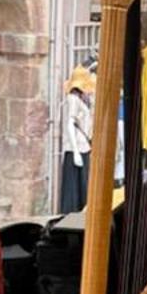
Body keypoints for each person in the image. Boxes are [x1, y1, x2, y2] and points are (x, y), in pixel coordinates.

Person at [59, 66, 94, 212]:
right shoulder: (72, 99)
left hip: (83, 145)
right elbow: (69, 124)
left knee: (82, 185)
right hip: (76, 147)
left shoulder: (81, 98)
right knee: (74, 187)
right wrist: (75, 151)